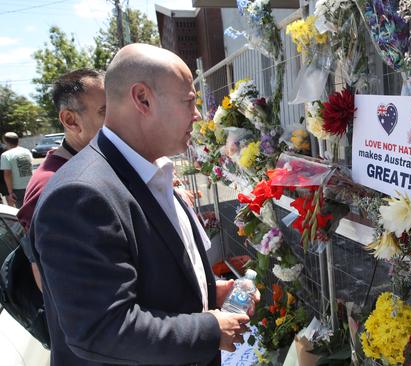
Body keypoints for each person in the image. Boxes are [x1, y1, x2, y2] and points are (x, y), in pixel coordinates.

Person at [31, 43, 255, 365]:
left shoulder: (149, 171)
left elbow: (153, 276)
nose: (197, 115)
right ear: (143, 99)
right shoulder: (81, 195)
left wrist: (208, 292)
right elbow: (102, 329)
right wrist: (210, 328)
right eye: (188, 101)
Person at [17, 68, 106, 291]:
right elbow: (50, 281)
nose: (119, 122)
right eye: (105, 112)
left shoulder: (89, 163)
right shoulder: (51, 185)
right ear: (70, 120)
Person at [1, 132, 33, 208]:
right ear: (18, 140)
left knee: (22, 211)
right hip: (31, 184)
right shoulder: (26, 151)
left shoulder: (6, 155)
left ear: (5, 142)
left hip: (18, 189)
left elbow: (7, 174)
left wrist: (10, 192)